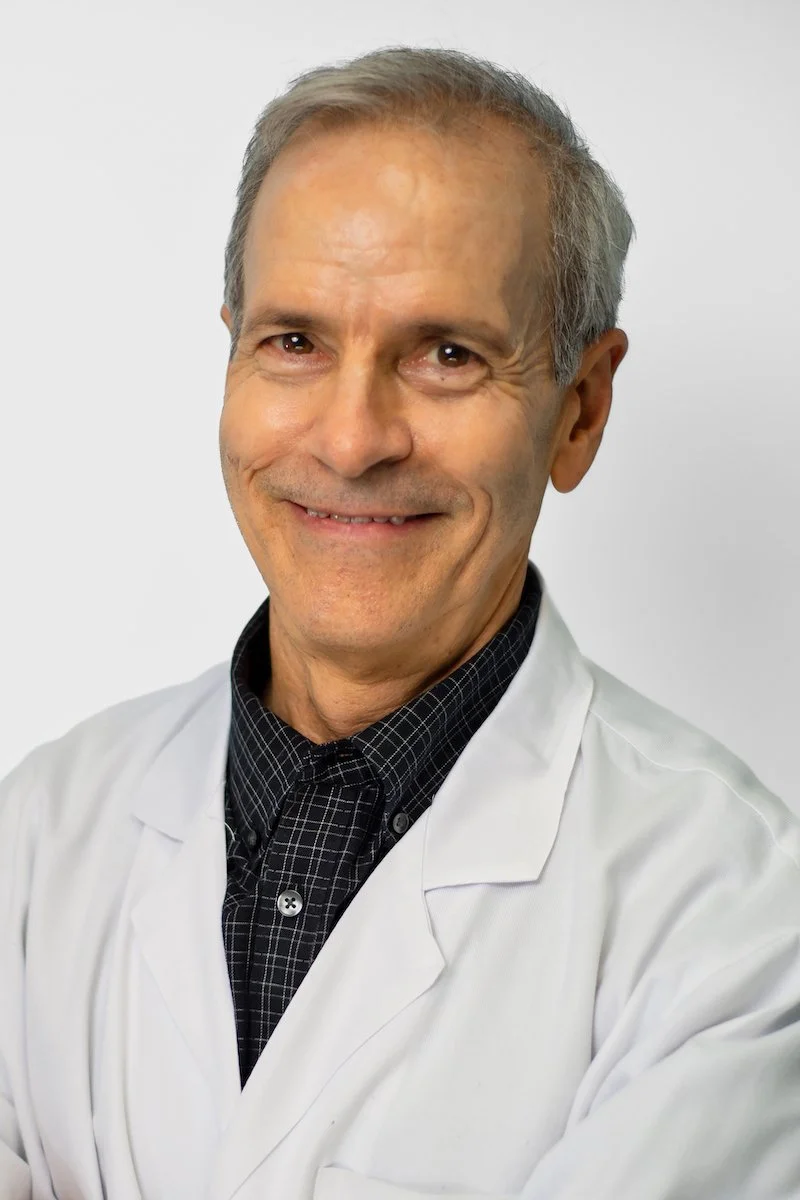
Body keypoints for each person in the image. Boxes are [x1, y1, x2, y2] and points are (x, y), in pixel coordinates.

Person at [2, 45, 799, 1200]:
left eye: (444, 354)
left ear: (578, 411)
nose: (349, 438)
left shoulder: (734, 920)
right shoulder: (39, 835)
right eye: (294, 342)